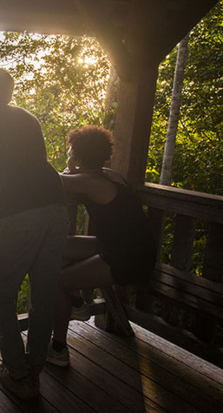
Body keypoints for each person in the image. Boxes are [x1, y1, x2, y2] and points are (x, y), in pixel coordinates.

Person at [0, 69, 68, 399]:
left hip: (18, 213)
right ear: (10, 91)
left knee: (1, 295)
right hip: (56, 204)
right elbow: (26, 165)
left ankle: (18, 374)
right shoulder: (27, 118)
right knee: (44, 291)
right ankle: (34, 368)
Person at [47, 125, 157, 367]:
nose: (67, 156)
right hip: (125, 246)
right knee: (56, 247)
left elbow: (45, 180)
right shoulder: (109, 175)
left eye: (69, 151)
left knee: (57, 281)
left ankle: (58, 349)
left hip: (128, 257)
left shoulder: (89, 182)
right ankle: (77, 304)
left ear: (77, 155)